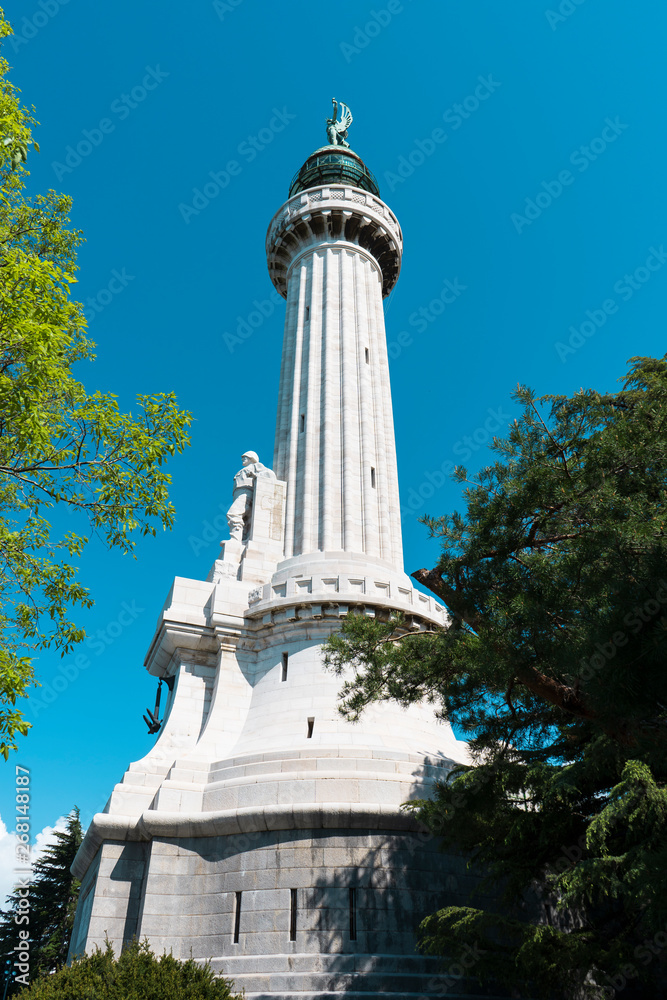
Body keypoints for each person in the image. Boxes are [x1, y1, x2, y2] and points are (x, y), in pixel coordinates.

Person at [226, 451, 276, 541]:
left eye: (245, 457)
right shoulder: (244, 469)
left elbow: (270, 475)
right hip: (239, 494)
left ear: (251, 458)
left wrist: (255, 475)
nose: (242, 459)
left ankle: (235, 538)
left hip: (246, 493)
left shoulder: (256, 466)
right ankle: (243, 540)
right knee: (245, 520)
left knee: (233, 513)